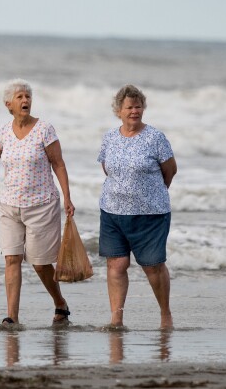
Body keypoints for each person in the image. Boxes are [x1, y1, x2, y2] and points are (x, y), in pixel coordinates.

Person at [0, 78, 76, 329]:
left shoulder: (45, 129)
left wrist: (67, 196)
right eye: (20, 97)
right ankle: (12, 317)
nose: (25, 100)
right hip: (9, 204)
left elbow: (58, 164)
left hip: (42, 204)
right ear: (8, 104)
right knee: (11, 259)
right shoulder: (3, 131)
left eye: (28, 96)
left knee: (40, 262)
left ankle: (60, 303)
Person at [97, 84, 177, 329]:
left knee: (153, 266)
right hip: (112, 211)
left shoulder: (155, 137)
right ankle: (116, 319)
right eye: (129, 107)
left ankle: (165, 315)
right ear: (118, 110)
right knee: (116, 265)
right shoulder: (109, 137)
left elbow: (170, 170)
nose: (134, 111)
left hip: (150, 213)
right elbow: (106, 168)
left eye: (138, 106)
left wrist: (150, 194)